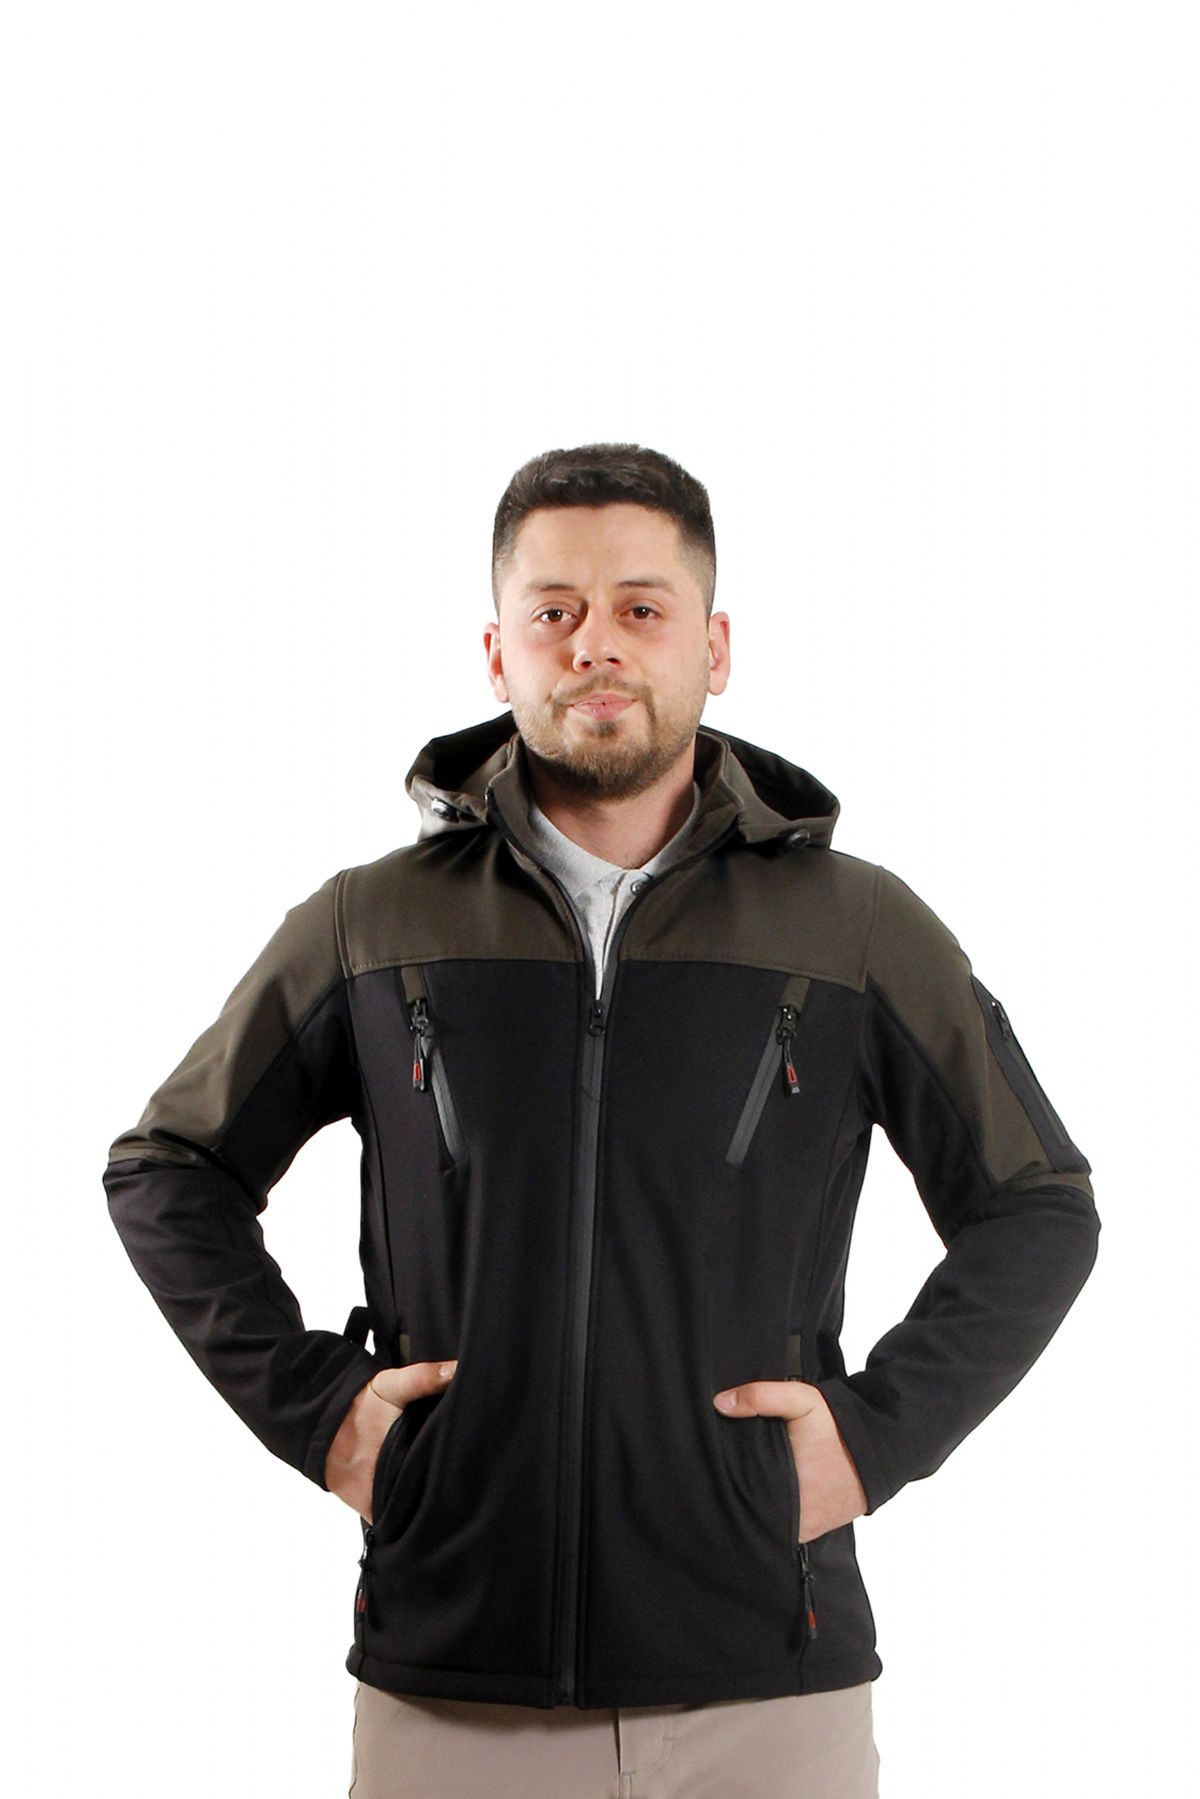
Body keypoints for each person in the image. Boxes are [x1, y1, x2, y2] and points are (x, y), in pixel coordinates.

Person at [103, 442, 1100, 1798]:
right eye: (553, 612)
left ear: (714, 647)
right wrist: (320, 1414)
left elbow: (1038, 1205)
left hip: (772, 1687)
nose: (596, 646)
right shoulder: (369, 924)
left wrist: (877, 1437)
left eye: (641, 607)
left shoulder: (856, 928)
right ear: (497, 653)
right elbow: (169, 1170)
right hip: (454, 1690)